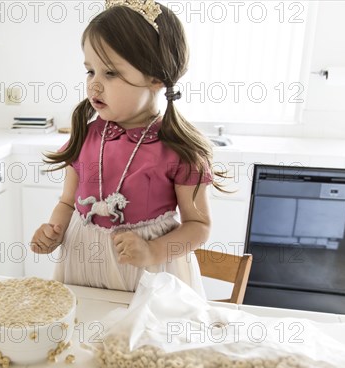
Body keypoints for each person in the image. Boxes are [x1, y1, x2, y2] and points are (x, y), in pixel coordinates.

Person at [30, 0, 224, 293]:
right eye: (89, 71)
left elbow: (199, 226)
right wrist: (53, 232)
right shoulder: (85, 135)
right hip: (82, 264)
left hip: (149, 274)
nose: (94, 84)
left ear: (155, 78)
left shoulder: (180, 149)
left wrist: (153, 252)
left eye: (110, 73)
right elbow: (68, 202)